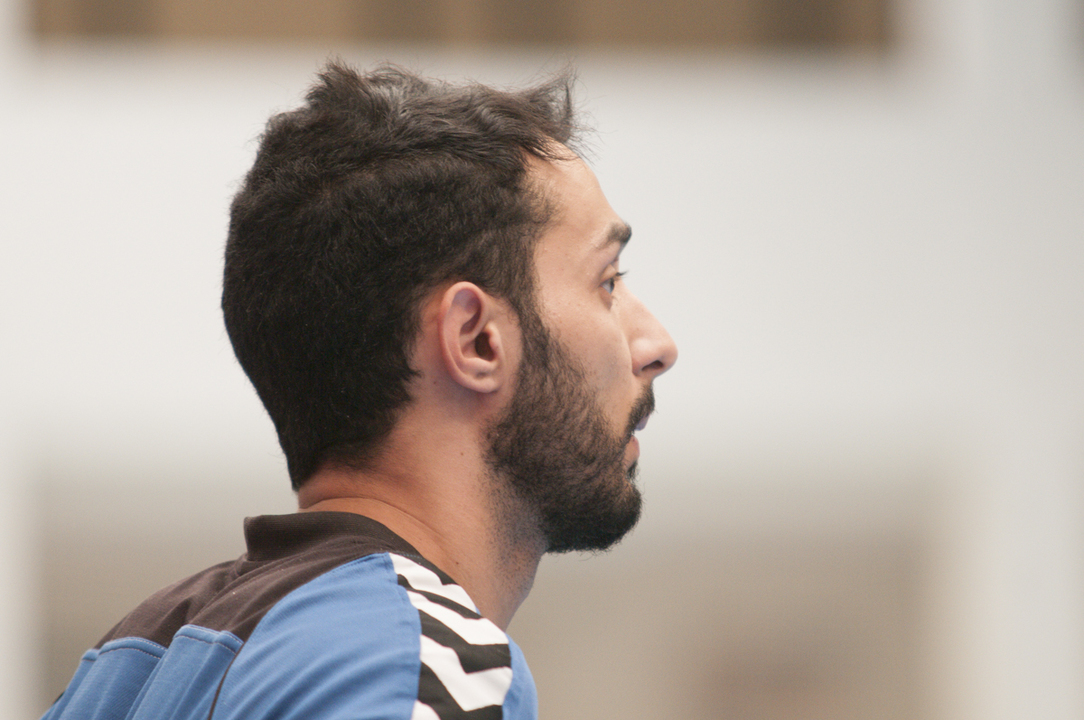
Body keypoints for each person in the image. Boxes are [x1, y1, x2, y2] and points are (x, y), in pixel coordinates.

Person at [42, 61, 677, 720]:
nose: (658, 345)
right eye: (608, 281)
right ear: (476, 340)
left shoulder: (127, 663)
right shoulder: (421, 665)